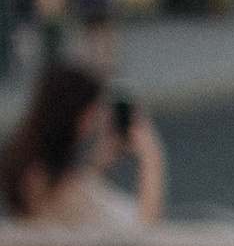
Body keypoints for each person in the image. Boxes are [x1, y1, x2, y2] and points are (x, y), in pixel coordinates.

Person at [1, 62, 165, 230]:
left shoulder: (31, 169)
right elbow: (143, 229)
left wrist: (100, 162)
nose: (98, 120)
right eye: (95, 110)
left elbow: (76, 213)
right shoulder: (54, 187)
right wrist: (151, 154)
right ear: (80, 116)